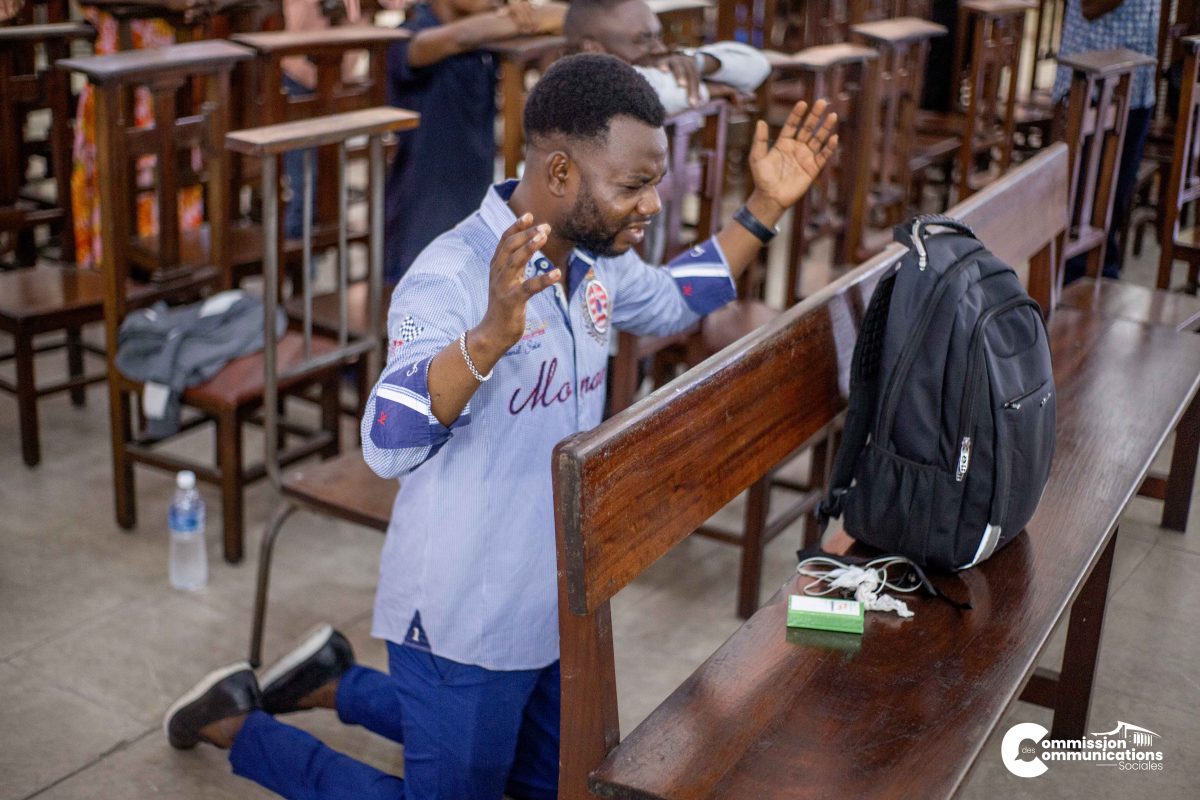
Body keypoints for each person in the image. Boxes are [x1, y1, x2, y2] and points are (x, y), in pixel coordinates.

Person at [164, 53, 837, 800]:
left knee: (552, 784)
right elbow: (386, 444)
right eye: (633, 185)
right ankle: (240, 728)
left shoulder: (594, 259)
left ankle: (334, 682)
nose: (652, 204)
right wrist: (486, 339)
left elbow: (677, 298)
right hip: (466, 616)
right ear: (559, 173)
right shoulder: (449, 275)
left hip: (550, 601)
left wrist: (764, 208)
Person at [384, 0, 567, 286]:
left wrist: (524, 17)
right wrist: (523, 18)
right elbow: (458, 37)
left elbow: (562, 17)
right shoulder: (408, 39)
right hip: (421, 215)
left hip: (471, 202)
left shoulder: (488, 38)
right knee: (419, 290)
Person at [1055, 0, 1159, 282]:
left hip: (1136, 84)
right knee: (1084, 206)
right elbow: (1090, 7)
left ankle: (1100, 274)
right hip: (1094, 84)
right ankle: (1076, 283)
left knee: (1115, 193)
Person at [563, 0, 771, 115]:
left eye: (658, 37)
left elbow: (758, 65)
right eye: (642, 40)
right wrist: (708, 90)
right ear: (593, 49)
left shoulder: (661, 65)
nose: (660, 48)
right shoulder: (573, 82)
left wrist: (698, 63)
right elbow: (644, 91)